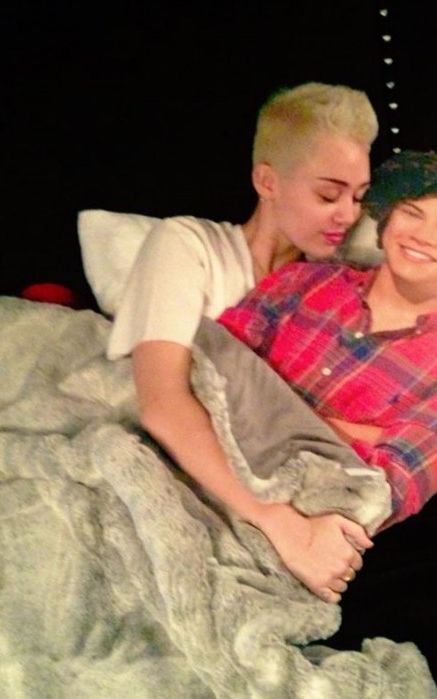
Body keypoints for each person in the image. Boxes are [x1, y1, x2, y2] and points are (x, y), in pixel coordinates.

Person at [108, 81, 379, 599]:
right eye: (328, 194)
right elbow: (161, 403)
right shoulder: (189, 245)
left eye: (359, 197)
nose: (347, 214)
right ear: (267, 181)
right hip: (173, 470)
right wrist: (281, 524)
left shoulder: (336, 289)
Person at [218, 150, 437, 561]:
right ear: (386, 219)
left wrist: (259, 404)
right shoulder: (301, 282)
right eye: (411, 213)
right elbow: (206, 371)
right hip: (193, 462)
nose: (422, 236)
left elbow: (380, 488)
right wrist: (357, 433)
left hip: (289, 538)